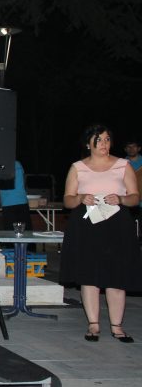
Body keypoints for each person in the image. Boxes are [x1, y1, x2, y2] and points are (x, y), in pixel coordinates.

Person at [59, 125, 141, 342]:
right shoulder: (78, 167)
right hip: (87, 225)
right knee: (89, 275)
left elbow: (135, 197)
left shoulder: (123, 165)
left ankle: (117, 326)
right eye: (99, 140)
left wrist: (121, 199)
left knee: (116, 276)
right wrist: (80, 198)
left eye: (107, 139)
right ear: (88, 144)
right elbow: (67, 200)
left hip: (117, 225)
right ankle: (93, 325)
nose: (104, 144)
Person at [0, 160, 30, 232]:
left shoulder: (1, 164)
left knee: (10, 234)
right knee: (26, 233)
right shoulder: (18, 164)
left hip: (8, 203)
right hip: (22, 202)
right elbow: (24, 181)